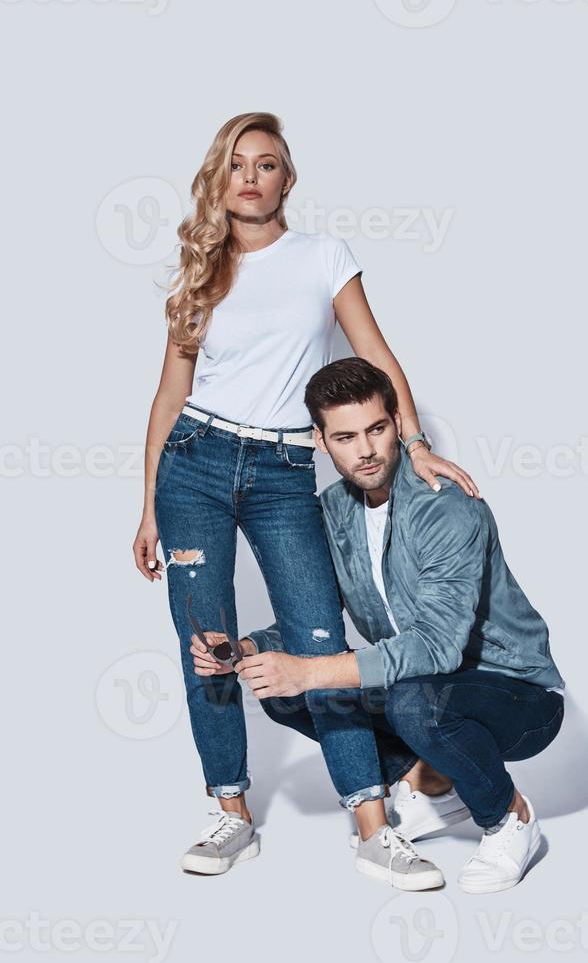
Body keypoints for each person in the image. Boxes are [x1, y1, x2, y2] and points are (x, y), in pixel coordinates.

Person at [131, 111, 481, 881]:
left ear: (288, 180)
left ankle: (371, 824)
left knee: (319, 640)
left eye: (267, 164)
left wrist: (417, 445)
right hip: (192, 461)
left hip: (285, 471)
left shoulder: (324, 256)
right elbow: (167, 396)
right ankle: (229, 813)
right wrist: (149, 502)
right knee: (209, 648)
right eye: (237, 164)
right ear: (219, 180)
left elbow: (377, 357)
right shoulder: (199, 274)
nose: (250, 176)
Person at [192, 357, 566, 894]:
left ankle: (511, 818)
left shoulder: (445, 509)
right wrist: (249, 646)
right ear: (321, 441)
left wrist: (310, 671)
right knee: (282, 690)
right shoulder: (332, 512)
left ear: (397, 422)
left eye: (376, 429)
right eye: (345, 436)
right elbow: (312, 619)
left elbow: (437, 648)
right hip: (425, 690)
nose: (365, 450)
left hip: (517, 695)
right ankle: (434, 784)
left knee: (408, 698)